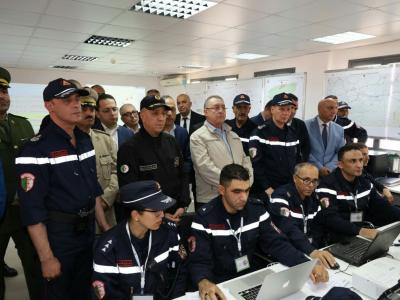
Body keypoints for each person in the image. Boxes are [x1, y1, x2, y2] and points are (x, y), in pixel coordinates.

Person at [16, 78, 104, 300]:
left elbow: (93, 191)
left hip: (87, 232)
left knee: (86, 290)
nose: (77, 105)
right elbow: (32, 210)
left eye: (78, 100)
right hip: (58, 236)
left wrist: (105, 227)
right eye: (67, 101)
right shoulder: (35, 148)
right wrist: (46, 257)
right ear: (50, 105)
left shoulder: (84, 140)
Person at [189, 164, 328, 300]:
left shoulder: (256, 210)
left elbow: (277, 243)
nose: (243, 197)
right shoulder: (205, 218)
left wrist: (306, 264)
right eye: (237, 191)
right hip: (220, 282)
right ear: (221, 190)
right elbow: (199, 261)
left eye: (247, 190)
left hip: (252, 276)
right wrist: (203, 281)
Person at [92, 181, 187, 299]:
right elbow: (106, 294)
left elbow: (180, 272)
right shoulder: (108, 248)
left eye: (162, 210)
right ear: (136, 215)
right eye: (156, 212)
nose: (162, 215)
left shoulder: (168, 233)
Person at [0, 66, 43, 300]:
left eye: (5, 90)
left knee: (35, 265)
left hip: (24, 211)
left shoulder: (23, 125)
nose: (2, 95)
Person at [117, 95, 190, 223]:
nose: (161, 118)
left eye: (163, 113)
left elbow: (183, 174)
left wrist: (182, 204)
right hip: (149, 218)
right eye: (155, 113)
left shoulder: (171, 141)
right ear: (142, 116)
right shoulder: (129, 148)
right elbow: (130, 190)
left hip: (177, 212)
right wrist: (158, 214)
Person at [314, 144, 400, 245]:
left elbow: (382, 206)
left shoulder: (364, 182)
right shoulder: (327, 185)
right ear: (340, 164)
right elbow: (330, 219)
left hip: (358, 232)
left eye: (360, 160)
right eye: (353, 161)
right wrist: (360, 231)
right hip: (334, 238)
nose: (359, 165)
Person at [269, 163, 337, 267]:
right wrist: (311, 251)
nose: (311, 185)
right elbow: (288, 227)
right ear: (295, 178)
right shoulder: (280, 196)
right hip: (287, 253)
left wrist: (316, 251)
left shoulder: (316, 197)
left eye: (315, 181)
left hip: (309, 251)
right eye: (306, 180)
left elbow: (318, 227)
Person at [190, 95, 253, 206]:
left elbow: (246, 161)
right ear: (206, 112)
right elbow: (205, 168)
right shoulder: (198, 137)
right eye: (216, 107)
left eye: (223, 108)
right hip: (212, 197)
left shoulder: (233, 135)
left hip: (238, 195)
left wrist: (247, 182)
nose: (221, 111)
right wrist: (234, 185)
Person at [76, 87, 118, 233]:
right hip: (77, 218)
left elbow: (116, 171)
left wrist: (106, 199)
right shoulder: (67, 142)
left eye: (92, 109)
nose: (89, 113)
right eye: (84, 108)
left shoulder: (105, 140)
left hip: (106, 213)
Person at [249, 93, 301, 198]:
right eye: (281, 109)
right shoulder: (259, 133)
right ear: (272, 109)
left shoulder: (293, 133)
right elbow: (255, 164)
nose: (286, 113)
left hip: (289, 188)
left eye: (288, 109)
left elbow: (298, 160)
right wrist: (267, 188)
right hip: (267, 190)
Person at [305, 97, 345, 177]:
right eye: (330, 108)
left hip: (331, 173)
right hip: (309, 172)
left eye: (336, 108)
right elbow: (304, 150)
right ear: (319, 109)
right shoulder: (305, 126)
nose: (334, 111)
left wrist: (329, 167)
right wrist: (319, 168)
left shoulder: (339, 129)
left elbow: (341, 152)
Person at [163, 95, 191, 168]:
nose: (169, 113)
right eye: (166, 109)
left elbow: (188, 159)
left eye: (172, 109)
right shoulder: (154, 133)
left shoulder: (182, 132)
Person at [287, 93, 310, 161]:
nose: (293, 111)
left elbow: (306, 147)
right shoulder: (272, 125)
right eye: (291, 107)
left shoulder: (300, 124)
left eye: (295, 109)